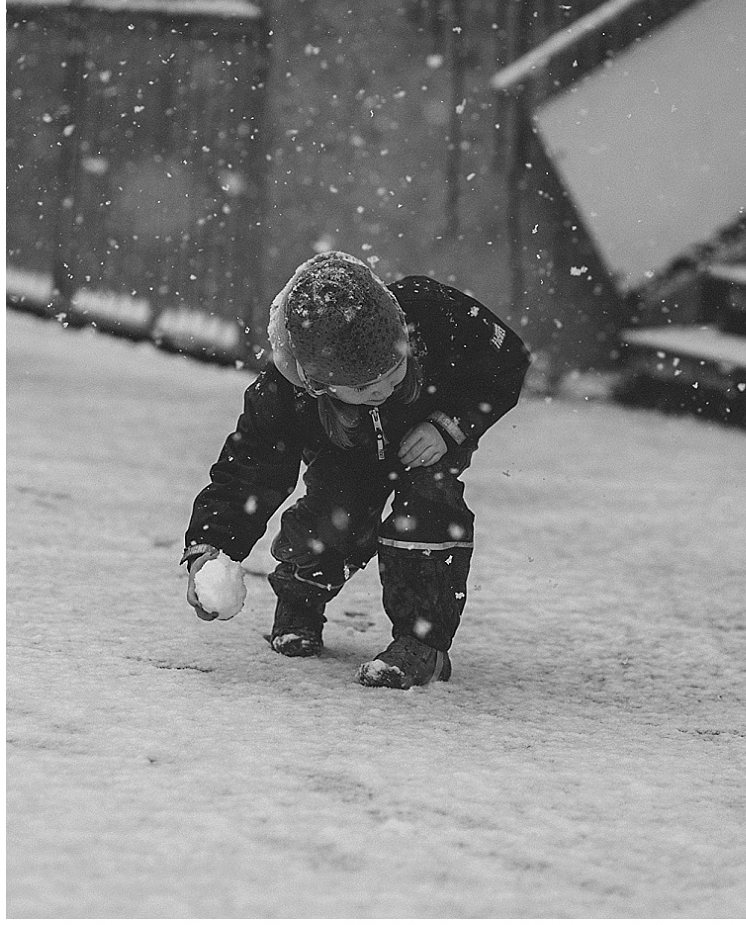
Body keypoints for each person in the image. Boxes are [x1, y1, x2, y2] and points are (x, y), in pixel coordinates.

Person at [181, 251, 531, 689]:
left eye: (395, 369)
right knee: (332, 518)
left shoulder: (434, 312)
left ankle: (423, 644)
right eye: (365, 387)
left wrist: (451, 426)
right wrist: (208, 550)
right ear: (319, 384)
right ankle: (300, 603)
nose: (385, 389)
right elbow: (248, 473)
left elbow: (506, 360)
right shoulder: (285, 392)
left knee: (428, 508)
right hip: (345, 456)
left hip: (429, 443)